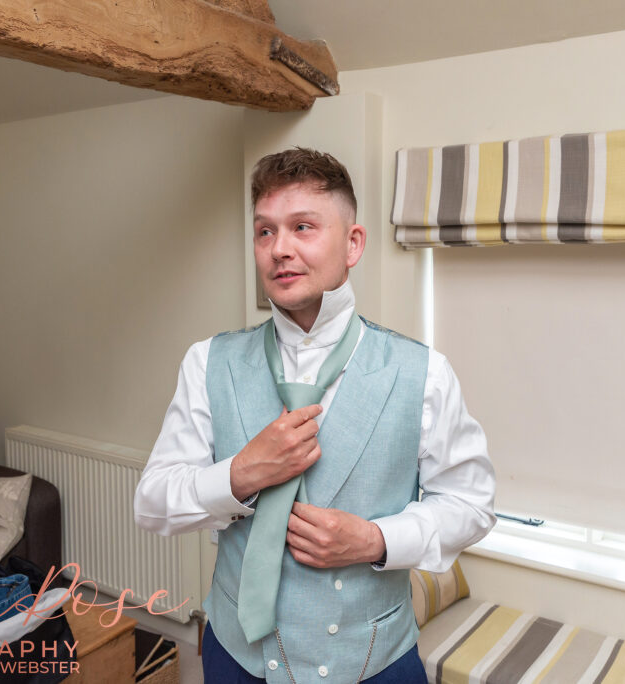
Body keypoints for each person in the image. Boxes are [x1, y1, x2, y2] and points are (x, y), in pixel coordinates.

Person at [134, 147, 495, 683]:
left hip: (376, 664)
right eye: (264, 232)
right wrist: (239, 475)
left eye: (302, 227)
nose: (280, 249)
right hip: (234, 657)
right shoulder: (207, 362)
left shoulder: (426, 373)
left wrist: (377, 540)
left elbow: (472, 505)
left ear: (353, 244)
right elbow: (153, 503)